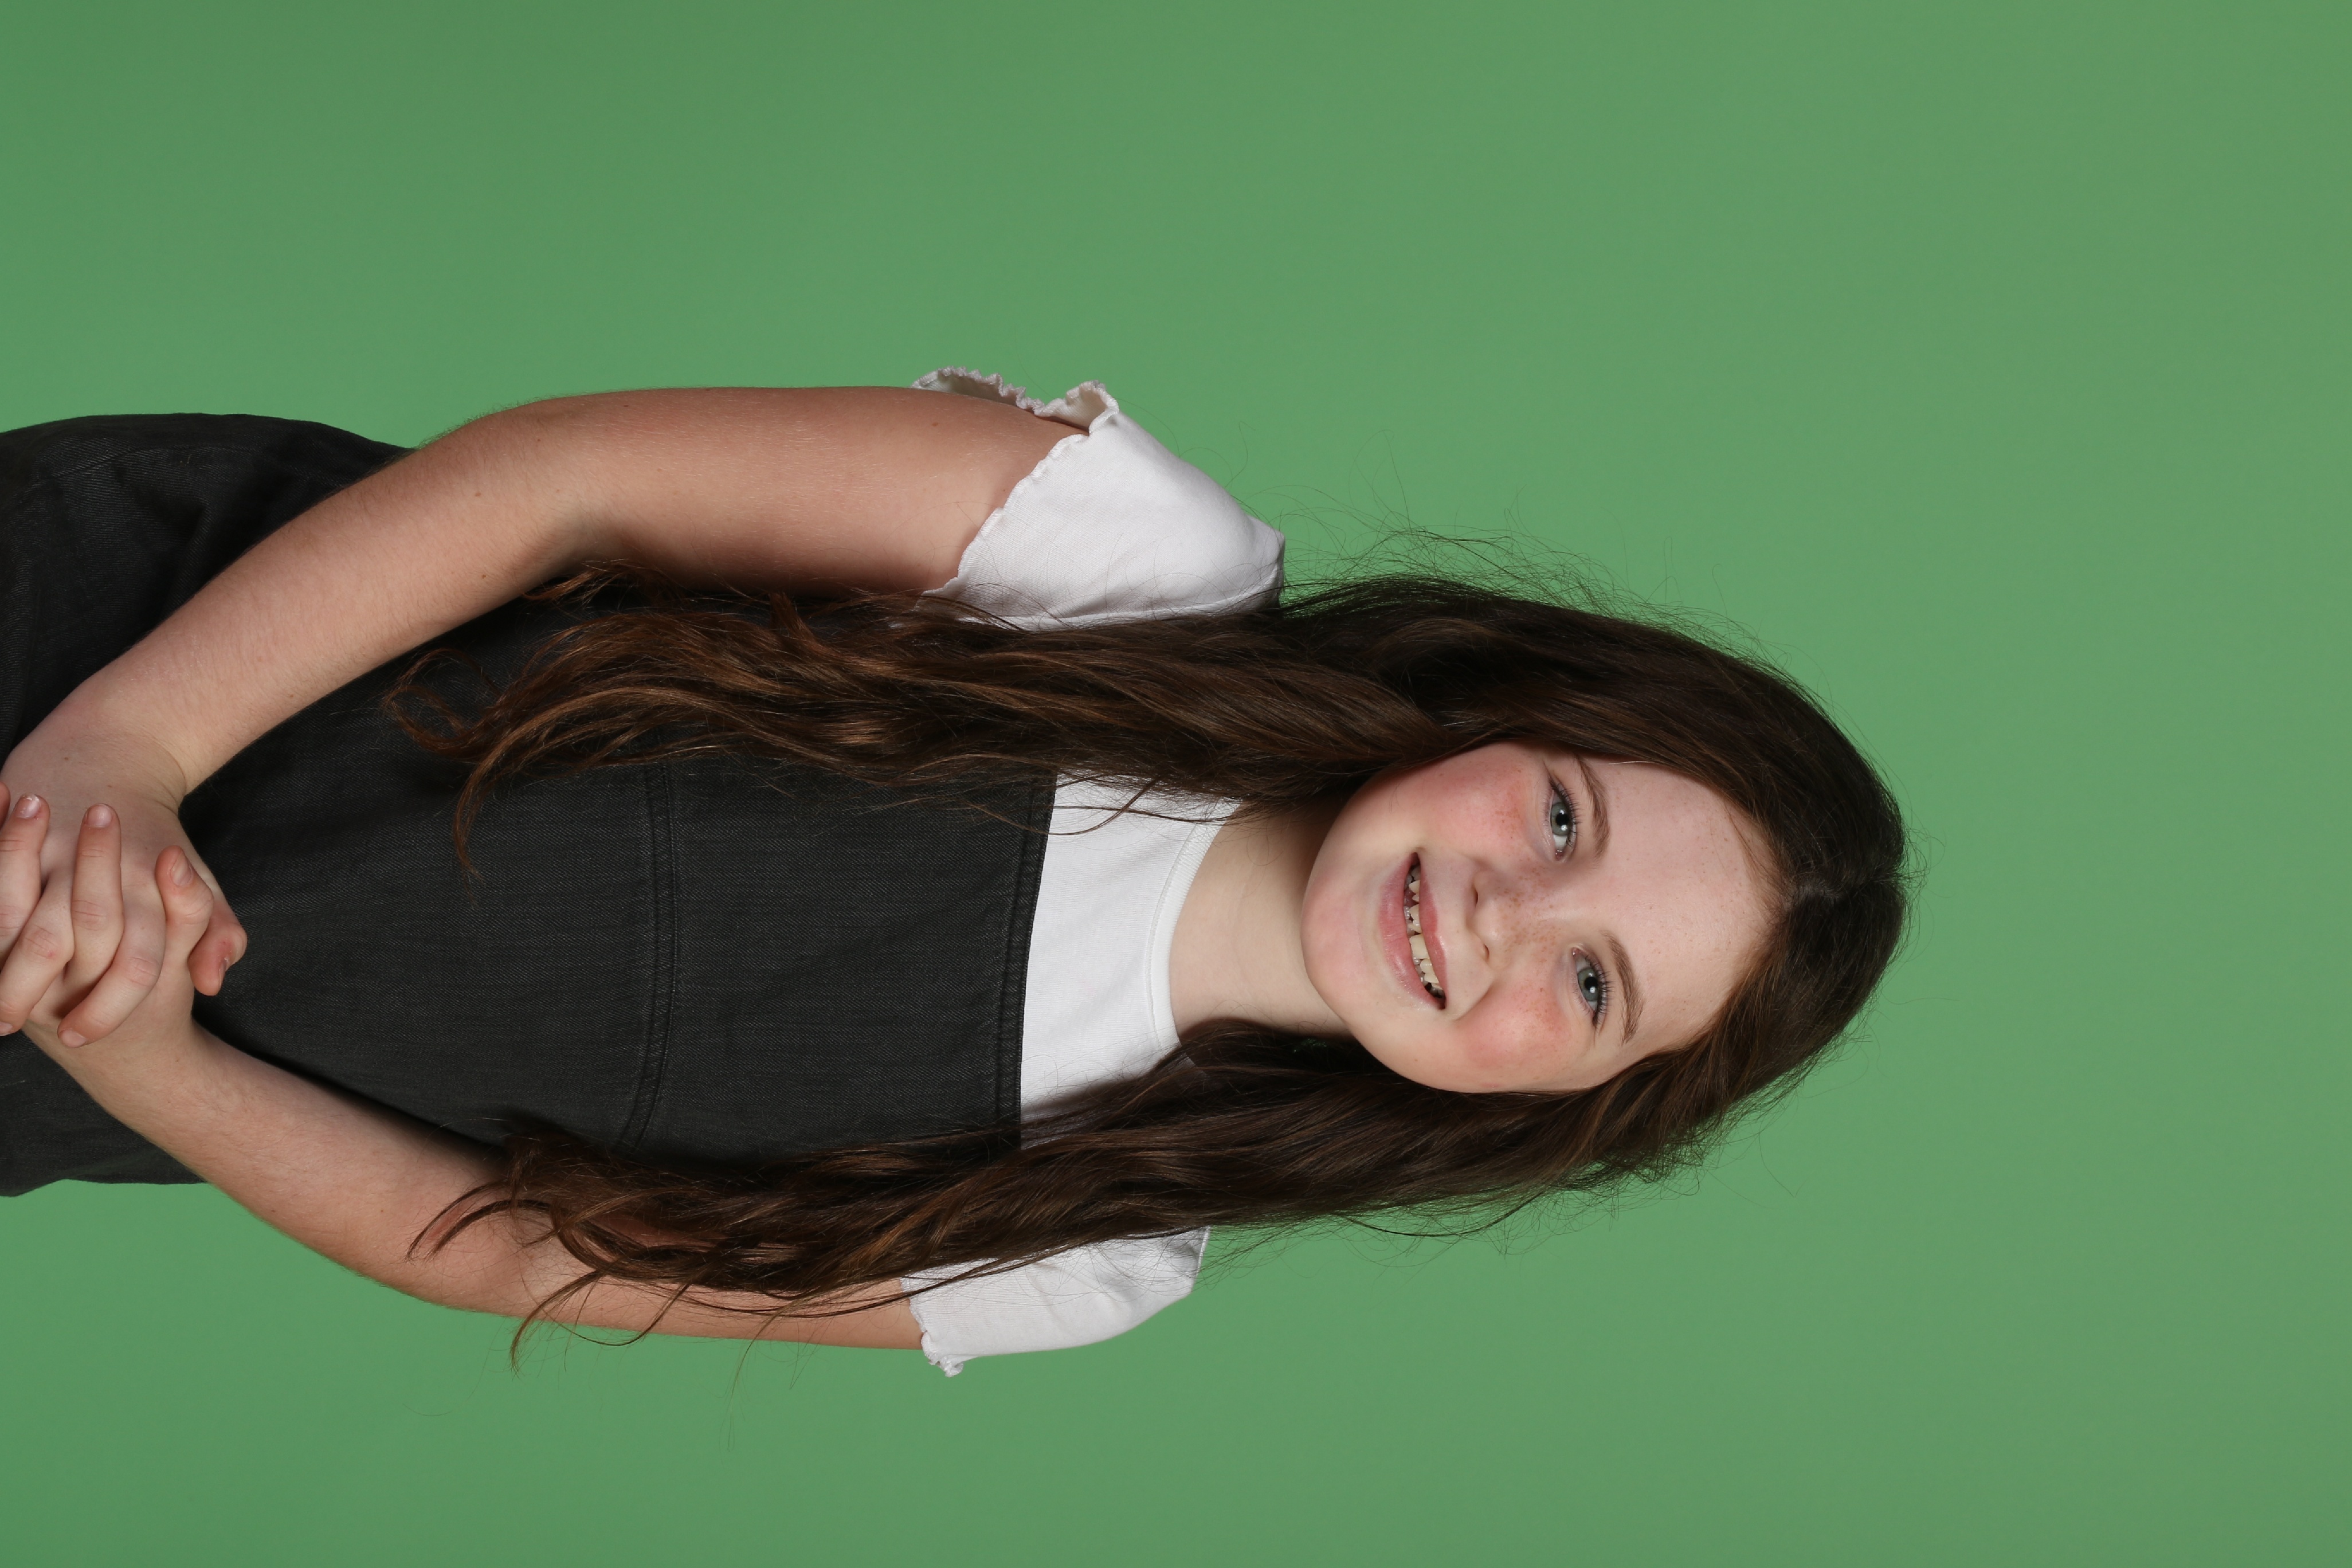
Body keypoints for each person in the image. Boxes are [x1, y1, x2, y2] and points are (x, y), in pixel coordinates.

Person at [0, 369, 1908, 1374]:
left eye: (1594, 985)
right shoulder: (1141, 571)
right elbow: (560, 480)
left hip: (60, 1021)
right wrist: (124, 751)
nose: (1509, 918)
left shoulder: (1085, 1251)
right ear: (1514, 713)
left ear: (1571, 1107)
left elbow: (518, 1245)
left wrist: (136, 1056)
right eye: (1562, 819)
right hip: (109, 643)